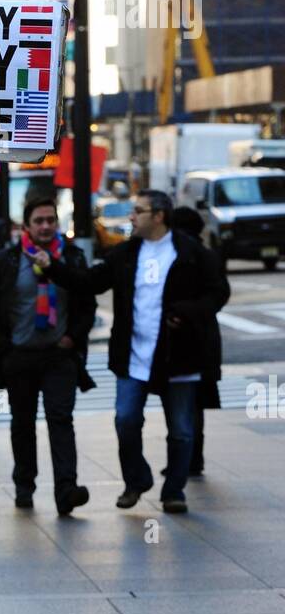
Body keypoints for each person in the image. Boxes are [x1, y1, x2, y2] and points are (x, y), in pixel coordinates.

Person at [35, 189, 226, 514]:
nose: (131, 216)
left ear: (159, 216)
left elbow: (218, 292)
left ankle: (174, 491)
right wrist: (53, 268)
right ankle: (136, 480)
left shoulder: (191, 253)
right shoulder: (126, 253)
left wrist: (188, 312)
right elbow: (90, 281)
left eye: (138, 210)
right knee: (126, 420)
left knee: (180, 428)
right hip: (133, 354)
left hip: (178, 354)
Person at [0, 194, 96, 514]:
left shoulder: (70, 259)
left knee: (61, 419)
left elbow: (87, 302)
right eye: (39, 221)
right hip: (20, 356)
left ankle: (66, 489)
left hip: (60, 356)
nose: (46, 226)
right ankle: (24, 484)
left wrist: (73, 337)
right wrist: (2, 347)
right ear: (27, 226)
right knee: (23, 422)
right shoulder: (6, 261)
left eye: (51, 220)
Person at [169, 204, 230, 476]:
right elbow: (220, 294)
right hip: (205, 338)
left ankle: (185, 458)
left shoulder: (182, 256)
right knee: (195, 403)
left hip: (187, 339)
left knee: (182, 402)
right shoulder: (207, 255)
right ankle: (194, 456)